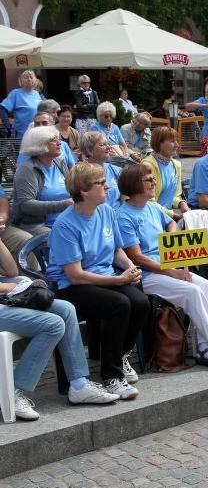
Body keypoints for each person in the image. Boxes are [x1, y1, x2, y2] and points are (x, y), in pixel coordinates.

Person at [115, 164, 208, 369]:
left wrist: (171, 238)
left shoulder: (151, 206)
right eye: (148, 180)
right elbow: (136, 257)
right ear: (134, 185)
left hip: (167, 266)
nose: (154, 182)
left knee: (206, 285)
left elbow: (170, 222)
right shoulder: (124, 215)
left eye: (153, 178)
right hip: (147, 275)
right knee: (191, 292)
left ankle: (204, 347)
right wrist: (171, 271)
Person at [47, 162, 148, 400]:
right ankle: (112, 376)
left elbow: (116, 251)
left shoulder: (106, 211)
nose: (108, 186)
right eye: (101, 183)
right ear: (83, 191)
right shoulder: (65, 224)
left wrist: (130, 268)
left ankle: (119, 355)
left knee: (141, 302)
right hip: (72, 286)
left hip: (104, 275)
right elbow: (75, 274)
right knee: (119, 304)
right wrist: (116, 281)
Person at [0, 235, 119, 420]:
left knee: (66, 308)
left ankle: (79, 385)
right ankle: (13, 392)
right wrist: (7, 287)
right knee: (52, 325)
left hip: (6, 298)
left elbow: (10, 269)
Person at [11, 126, 72, 236]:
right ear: (40, 144)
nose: (59, 143)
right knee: (61, 237)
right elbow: (26, 205)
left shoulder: (59, 163)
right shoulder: (27, 170)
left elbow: (72, 190)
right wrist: (63, 204)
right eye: (53, 140)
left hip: (64, 220)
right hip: (38, 225)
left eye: (59, 139)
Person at [141, 126, 189, 220]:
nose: (177, 145)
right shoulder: (147, 165)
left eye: (176, 141)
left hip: (167, 217)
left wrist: (181, 203)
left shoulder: (176, 164)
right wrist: (174, 216)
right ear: (159, 143)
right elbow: (149, 201)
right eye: (172, 141)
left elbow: (175, 195)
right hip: (151, 217)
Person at [80, 131, 124, 209]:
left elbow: (124, 197)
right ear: (89, 150)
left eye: (107, 144)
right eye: (102, 145)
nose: (108, 147)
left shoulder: (116, 170)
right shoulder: (81, 174)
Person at [0, 70, 42, 136]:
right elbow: (2, 108)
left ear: (35, 80)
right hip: (21, 134)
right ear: (21, 80)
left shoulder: (36, 93)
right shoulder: (16, 93)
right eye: (26, 77)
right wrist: (7, 126)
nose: (29, 79)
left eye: (31, 77)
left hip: (36, 133)